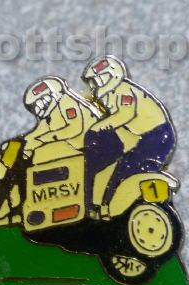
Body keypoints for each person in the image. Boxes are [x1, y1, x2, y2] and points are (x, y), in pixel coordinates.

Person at [81, 55, 176, 217]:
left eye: (99, 79)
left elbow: (125, 114)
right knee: (121, 170)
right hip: (147, 138)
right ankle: (108, 208)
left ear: (111, 76)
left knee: (132, 170)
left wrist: (98, 127)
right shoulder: (113, 93)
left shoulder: (124, 90)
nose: (96, 85)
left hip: (157, 136)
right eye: (95, 81)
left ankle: (146, 195)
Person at [21, 76, 99, 164]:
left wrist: (42, 139)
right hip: (78, 146)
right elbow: (40, 130)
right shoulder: (50, 113)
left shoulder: (68, 105)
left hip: (92, 144)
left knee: (43, 154)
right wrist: (25, 141)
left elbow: (75, 128)